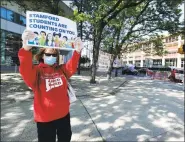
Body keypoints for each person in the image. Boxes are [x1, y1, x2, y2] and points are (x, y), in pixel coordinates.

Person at [19, 30, 83, 142]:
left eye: (54, 54)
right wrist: (26, 49)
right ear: (42, 55)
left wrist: (77, 51)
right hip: (45, 119)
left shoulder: (61, 69)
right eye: (48, 54)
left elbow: (71, 66)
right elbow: (25, 70)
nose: (51, 56)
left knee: (66, 138)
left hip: (64, 115)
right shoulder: (36, 71)